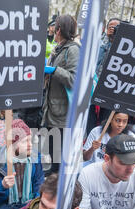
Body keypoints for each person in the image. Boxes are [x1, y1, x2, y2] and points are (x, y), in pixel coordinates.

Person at [42, 14, 80, 174]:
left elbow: (74, 79)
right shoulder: (59, 48)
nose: (52, 29)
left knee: (59, 154)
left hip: (63, 114)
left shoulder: (73, 50)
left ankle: (57, 184)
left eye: (55, 26)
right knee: (52, 151)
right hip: (52, 110)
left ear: (59, 29)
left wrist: (54, 70)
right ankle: (53, 178)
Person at [86, 18, 121, 136]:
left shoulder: (122, 46)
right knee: (90, 115)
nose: (112, 28)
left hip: (110, 90)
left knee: (105, 118)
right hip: (94, 86)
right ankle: (89, 139)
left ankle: (100, 138)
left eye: (115, 26)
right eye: (110, 26)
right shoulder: (100, 43)